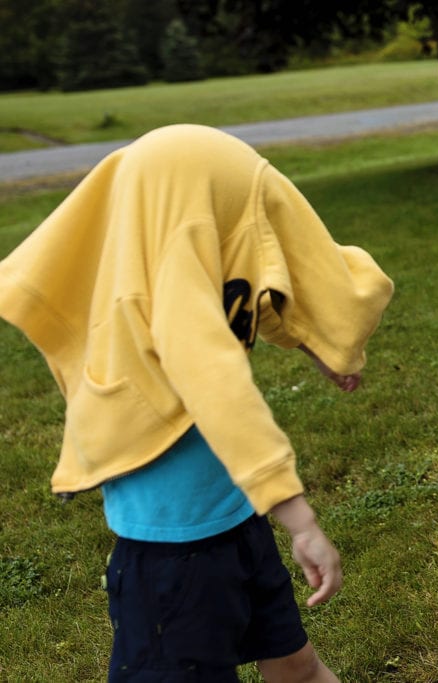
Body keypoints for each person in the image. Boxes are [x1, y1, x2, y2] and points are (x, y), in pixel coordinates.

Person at [0, 124, 395, 680]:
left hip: (233, 523)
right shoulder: (162, 294)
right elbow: (215, 379)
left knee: (298, 669)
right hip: (176, 558)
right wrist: (299, 518)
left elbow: (255, 279)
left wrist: (314, 338)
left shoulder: (167, 263)